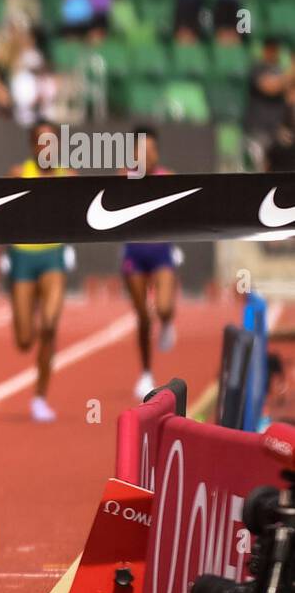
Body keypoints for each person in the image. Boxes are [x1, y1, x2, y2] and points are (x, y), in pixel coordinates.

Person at [6, 120, 73, 423]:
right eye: (41, 142)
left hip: (52, 257)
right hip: (23, 256)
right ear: (33, 146)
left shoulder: (68, 176)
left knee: (49, 325)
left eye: (52, 142)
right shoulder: (19, 175)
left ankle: (40, 397)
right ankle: (25, 313)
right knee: (24, 340)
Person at [119, 126, 178, 400]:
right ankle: (145, 372)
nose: (148, 155)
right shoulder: (123, 178)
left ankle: (167, 322)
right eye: (142, 150)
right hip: (134, 254)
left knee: (164, 308)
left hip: (161, 252)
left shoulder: (168, 179)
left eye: (152, 150)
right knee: (143, 315)